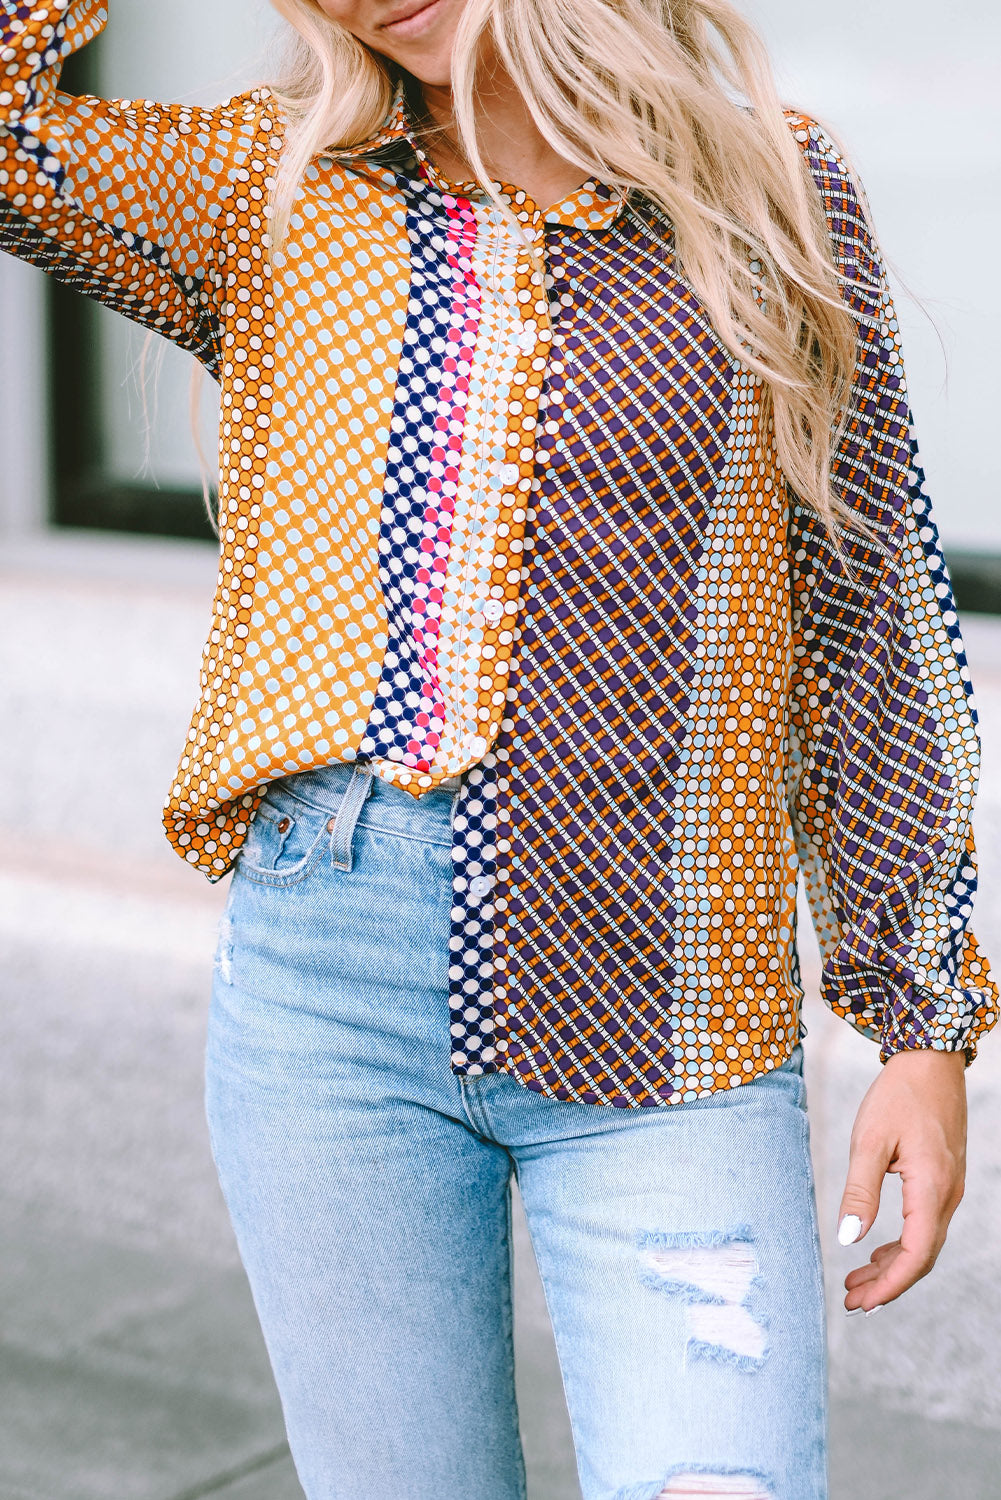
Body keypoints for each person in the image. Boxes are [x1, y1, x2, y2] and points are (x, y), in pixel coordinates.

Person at [2, 1, 996, 1496]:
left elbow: (869, 621)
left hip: (676, 1017)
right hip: (325, 1012)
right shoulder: (264, 189)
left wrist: (921, 1028)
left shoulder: (773, 188)